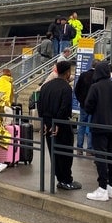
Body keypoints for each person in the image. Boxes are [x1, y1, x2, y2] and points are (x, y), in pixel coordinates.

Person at [84, 61, 112, 201]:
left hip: (99, 126)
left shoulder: (95, 87)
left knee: (101, 157)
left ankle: (102, 188)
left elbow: (88, 107)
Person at [38, 61, 82, 190]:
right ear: (68, 72)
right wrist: (57, 122)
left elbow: (40, 105)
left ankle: (59, 179)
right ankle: (67, 180)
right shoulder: (66, 88)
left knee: (54, 153)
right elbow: (64, 108)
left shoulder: (46, 86)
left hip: (47, 125)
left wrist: (45, 122)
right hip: (61, 125)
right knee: (66, 153)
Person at [73, 59, 98, 156]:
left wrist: (81, 100)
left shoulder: (83, 75)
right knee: (91, 126)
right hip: (93, 106)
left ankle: (79, 148)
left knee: (81, 126)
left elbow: (77, 89)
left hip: (83, 105)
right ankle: (89, 149)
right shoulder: (97, 77)